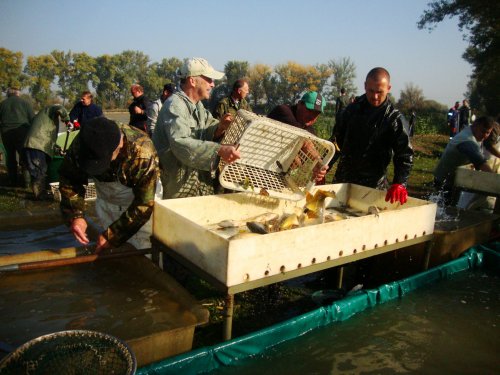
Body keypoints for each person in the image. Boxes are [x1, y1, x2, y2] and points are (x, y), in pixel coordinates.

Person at [58, 117, 159, 253]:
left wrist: (113, 235)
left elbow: (144, 204)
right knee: (107, 249)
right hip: (106, 200)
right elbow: (69, 178)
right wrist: (75, 215)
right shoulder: (84, 142)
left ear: (119, 146)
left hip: (137, 204)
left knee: (142, 247)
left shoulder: (143, 153)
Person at [152, 57, 240, 199]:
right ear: (192, 81)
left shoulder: (198, 106)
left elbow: (207, 128)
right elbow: (180, 143)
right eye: (209, 79)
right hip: (178, 187)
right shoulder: (175, 106)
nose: (212, 84)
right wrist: (219, 150)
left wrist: (220, 127)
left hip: (198, 184)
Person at [330, 67, 413, 205]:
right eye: (371, 91)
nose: (375, 96)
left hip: (373, 185)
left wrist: (400, 183)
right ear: (365, 86)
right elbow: (335, 141)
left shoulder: (394, 119)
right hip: (343, 179)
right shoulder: (350, 110)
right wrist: (324, 166)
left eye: (379, 92)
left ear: (389, 88)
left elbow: (405, 155)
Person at [267, 91, 329, 183]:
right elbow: (303, 138)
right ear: (300, 104)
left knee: (298, 159)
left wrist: (319, 170)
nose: (312, 116)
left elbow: (306, 152)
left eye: (316, 113)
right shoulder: (283, 111)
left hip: (275, 171)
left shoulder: (310, 130)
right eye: (310, 110)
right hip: (256, 158)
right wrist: (318, 161)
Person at [433, 116, 496, 206]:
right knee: (442, 207)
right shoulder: (467, 140)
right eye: (483, 131)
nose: (485, 135)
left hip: (454, 177)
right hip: (444, 179)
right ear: (475, 126)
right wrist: (495, 179)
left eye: (488, 133)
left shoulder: (473, 132)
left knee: (450, 206)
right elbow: (480, 161)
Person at [23, 104, 71, 199]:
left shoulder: (44, 120)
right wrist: (67, 120)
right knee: (39, 171)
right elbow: (60, 108)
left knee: (37, 170)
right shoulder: (49, 109)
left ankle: (39, 193)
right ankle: (40, 195)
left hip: (32, 145)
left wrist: (58, 149)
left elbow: (49, 140)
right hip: (36, 145)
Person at [0, 87, 35, 187]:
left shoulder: (2, 104)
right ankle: (27, 183)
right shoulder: (25, 103)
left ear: (8, 94)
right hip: (22, 133)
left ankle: (12, 181)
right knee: (24, 156)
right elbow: (32, 119)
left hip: (6, 133)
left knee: (10, 157)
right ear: (17, 94)